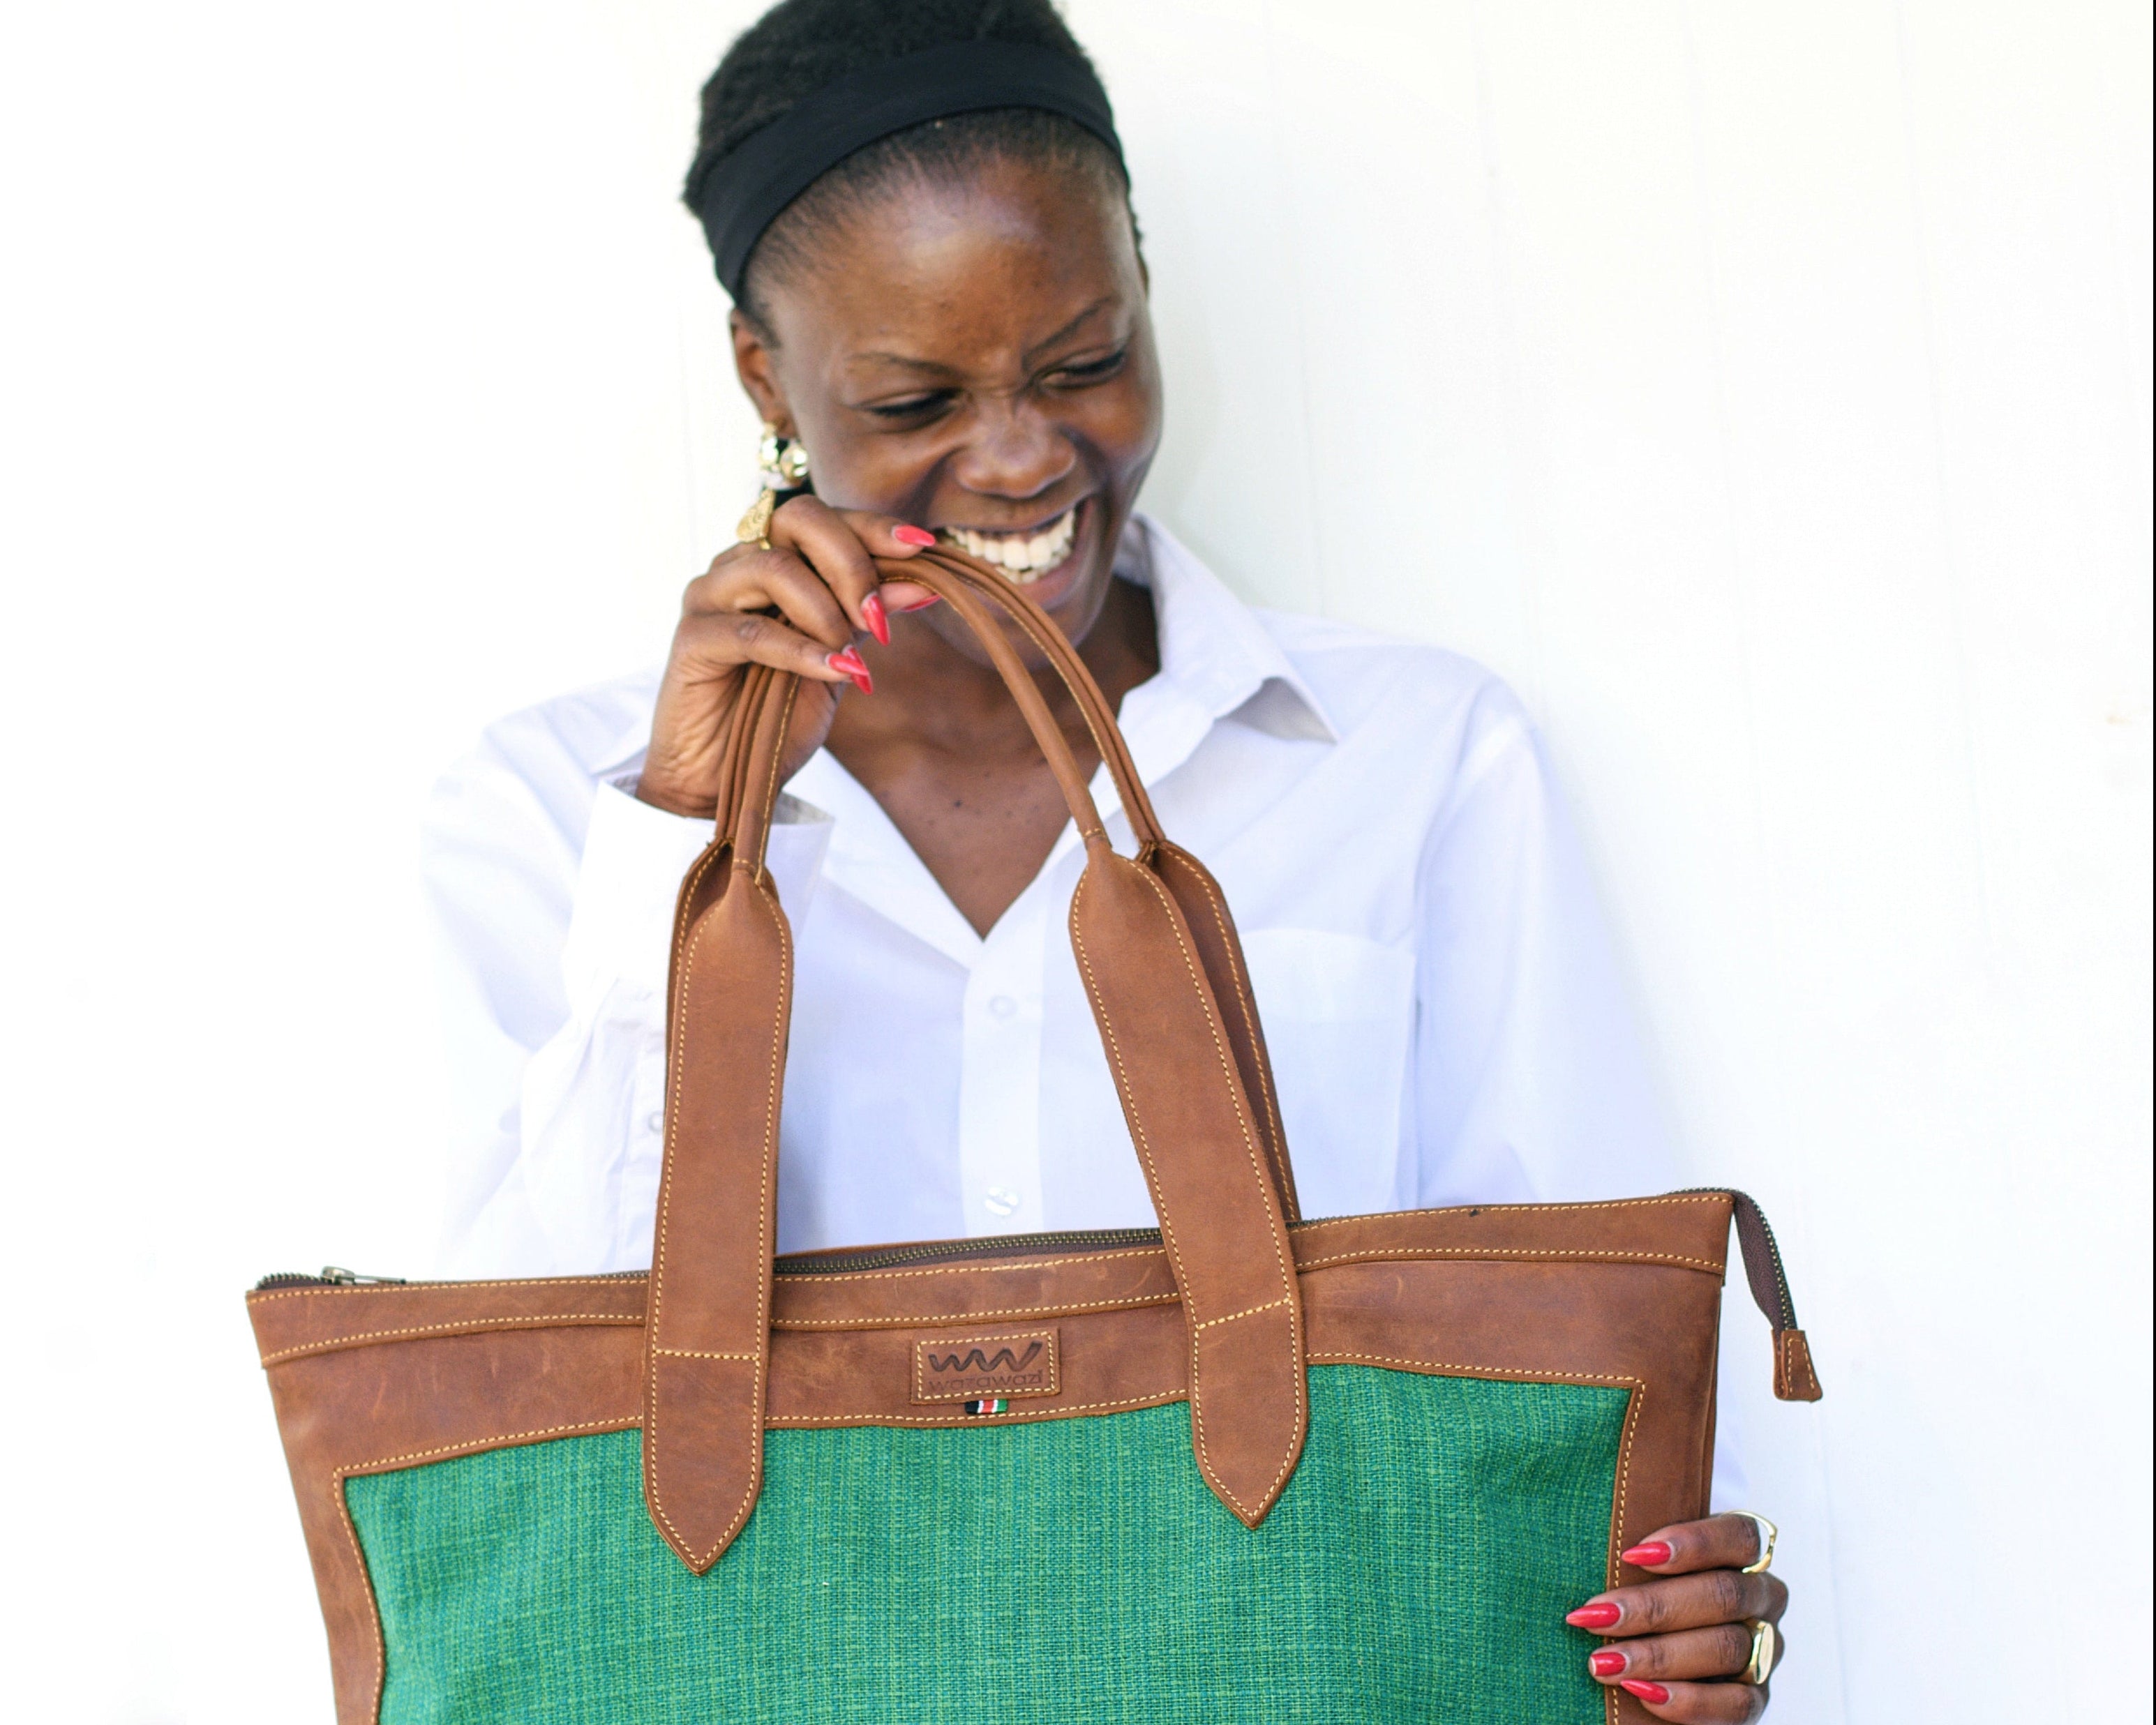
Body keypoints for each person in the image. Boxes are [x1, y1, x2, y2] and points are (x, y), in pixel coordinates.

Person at [422, 1, 1790, 1716]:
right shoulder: (554, 804)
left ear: (1141, 274)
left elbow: (1566, 1380)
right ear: (765, 378)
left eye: (1081, 360)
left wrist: (1665, 1607)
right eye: (917, 394)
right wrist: (685, 840)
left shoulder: (1415, 756)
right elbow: (512, 1445)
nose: (1021, 454)